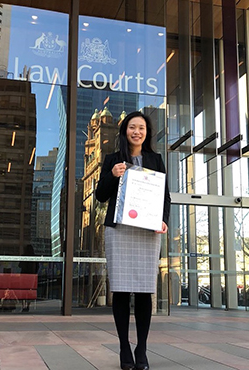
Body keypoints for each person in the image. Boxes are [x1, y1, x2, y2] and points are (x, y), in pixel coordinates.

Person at [96, 111, 171, 370]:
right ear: (124, 131)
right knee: (120, 288)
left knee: (143, 290)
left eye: (141, 128)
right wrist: (112, 175)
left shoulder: (155, 159)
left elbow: (165, 196)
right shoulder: (112, 159)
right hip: (120, 230)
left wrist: (163, 220)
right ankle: (124, 348)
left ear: (147, 132)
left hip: (147, 231)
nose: (136, 131)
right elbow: (100, 196)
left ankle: (142, 349)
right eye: (132, 127)